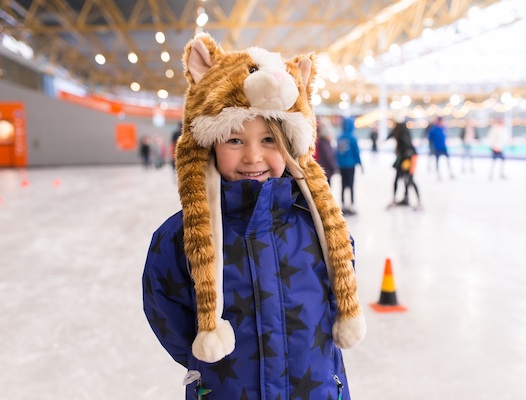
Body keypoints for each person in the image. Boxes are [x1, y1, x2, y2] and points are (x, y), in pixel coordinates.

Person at [142, 33, 366, 400]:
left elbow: (336, 294)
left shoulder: (319, 227)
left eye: (269, 140)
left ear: (292, 146)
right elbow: (165, 308)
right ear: (208, 142)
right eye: (234, 140)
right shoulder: (178, 237)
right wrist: (213, 369)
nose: (253, 157)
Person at [387, 120, 421, 209]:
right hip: (404, 158)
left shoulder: (401, 133)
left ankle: (417, 201)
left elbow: (408, 148)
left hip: (408, 159)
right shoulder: (401, 131)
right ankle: (406, 198)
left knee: (408, 179)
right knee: (403, 179)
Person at [336, 116, 363, 215]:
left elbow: (337, 153)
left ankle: (343, 205)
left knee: (343, 185)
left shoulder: (339, 138)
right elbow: (356, 152)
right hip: (351, 166)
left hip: (342, 165)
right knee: (351, 185)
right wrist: (360, 164)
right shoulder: (353, 138)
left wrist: (336, 164)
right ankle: (351, 204)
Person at [315, 117, 338, 185]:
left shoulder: (319, 141)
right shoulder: (324, 143)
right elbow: (329, 156)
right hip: (324, 170)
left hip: (322, 169)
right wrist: (334, 167)